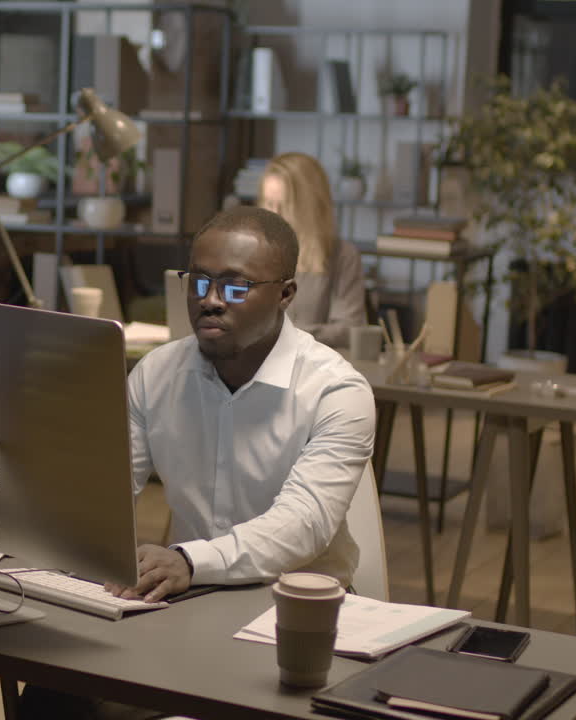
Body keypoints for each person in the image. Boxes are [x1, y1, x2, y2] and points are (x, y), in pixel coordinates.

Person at [20, 206, 375, 720]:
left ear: (286, 294)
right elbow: (106, 492)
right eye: (198, 282)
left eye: (234, 287)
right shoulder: (157, 373)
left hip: (297, 619)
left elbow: (302, 526)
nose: (209, 301)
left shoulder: (336, 391)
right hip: (186, 602)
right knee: (56, 690)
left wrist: (189, 560)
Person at [258, 152, 366, 348]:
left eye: (285, 205)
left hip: (314, 371)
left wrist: (280, 337)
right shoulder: (253, 252)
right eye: (269, 203)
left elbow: (349, 329)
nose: (274, 214)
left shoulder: (343, 256)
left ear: (310, 206)